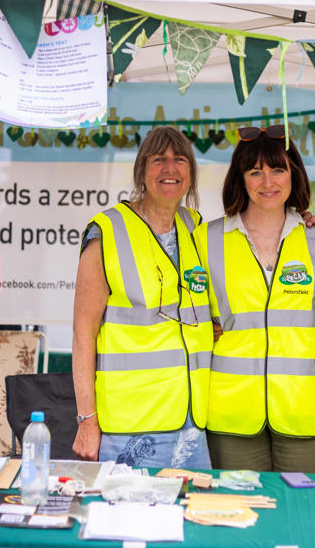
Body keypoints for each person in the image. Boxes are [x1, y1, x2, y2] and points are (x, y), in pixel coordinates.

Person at [193, 125, 315, 482]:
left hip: (306, 410)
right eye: (254, 171)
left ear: (295, 174)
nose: (267, 181)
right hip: (231, 411)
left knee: (307, 519)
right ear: (239, 179)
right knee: (239, 518)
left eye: (278, 169)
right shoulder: (204, 239)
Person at [71, 126, 213, 469]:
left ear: (191, 174)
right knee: (129, 521)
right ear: (141, 170)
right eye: (158, 159)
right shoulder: (107, 231)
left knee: (190, 519)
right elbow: (81, 334)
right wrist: (86, 421)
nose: (170, 169)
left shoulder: (196, 227)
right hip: (131, 424)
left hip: (192, 422)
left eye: (180, 160)